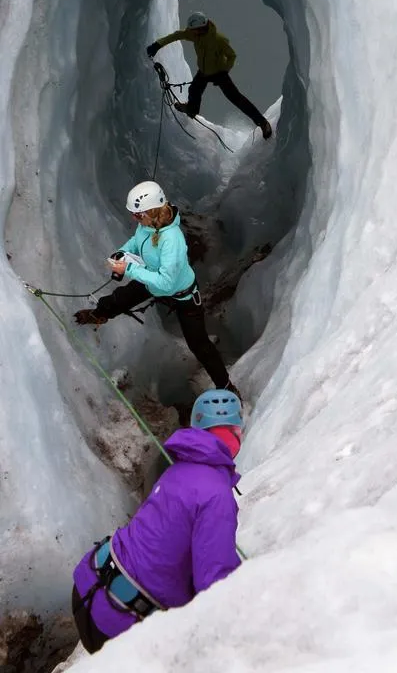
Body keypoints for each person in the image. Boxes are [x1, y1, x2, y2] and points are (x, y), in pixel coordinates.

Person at [71, 389, 243, 653]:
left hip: (92, 581)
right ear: (234, 434)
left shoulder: (175, 471)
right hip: (121, 617)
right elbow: (216, 584)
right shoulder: (217, 495)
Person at [74, 180, 237, 394]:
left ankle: (227, 387)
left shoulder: (172, 240)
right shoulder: (147, 224)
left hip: (183, 296)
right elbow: (136, 241)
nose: (135, 218)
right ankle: (99, 314)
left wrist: (129, 269)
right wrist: (122, 253)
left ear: (151, 211)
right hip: (152, 279)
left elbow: (166, 282)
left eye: (138, 214)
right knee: (119, 298)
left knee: (199, 345)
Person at [147, 11, 273, 139]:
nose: (191, 32)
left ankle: (263, 123)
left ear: (201, 28)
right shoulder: (194, 34)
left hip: (219, 72)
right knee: (194, 90)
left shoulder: (219, 40)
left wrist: (225, 70)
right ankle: (192, 110)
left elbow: (231, 55)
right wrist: (158, 45)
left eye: (193, 30)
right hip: (203, 72)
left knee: (236, 98)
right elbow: (176, 35)